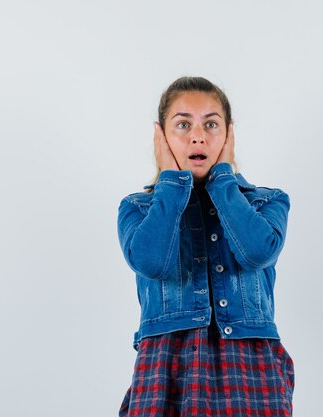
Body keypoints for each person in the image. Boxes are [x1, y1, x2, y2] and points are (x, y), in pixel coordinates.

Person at [117, 76, 295, 417]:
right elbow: (152, 262)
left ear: (229, 135)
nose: (198, 135)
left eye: (211, 124)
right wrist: (170, 181)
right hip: (167, 364)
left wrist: (224, 179)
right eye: (183, 124)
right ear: (161, 137)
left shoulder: (267, 202)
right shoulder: (137, 208)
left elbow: (256, 252)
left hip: (250, 365)